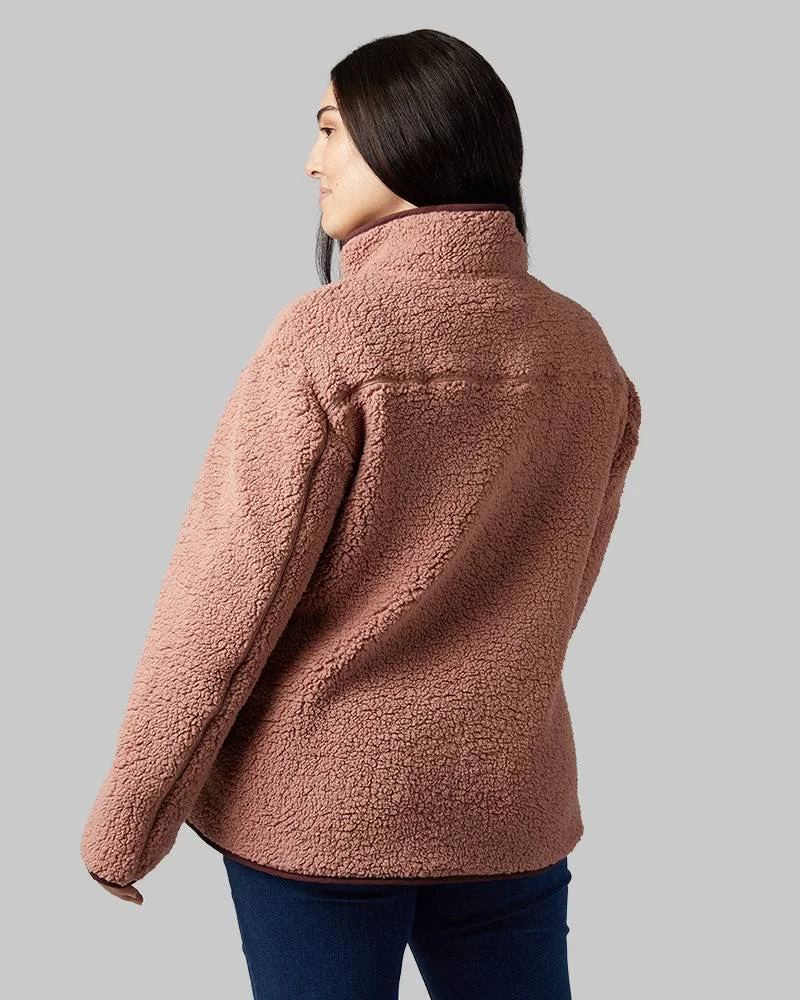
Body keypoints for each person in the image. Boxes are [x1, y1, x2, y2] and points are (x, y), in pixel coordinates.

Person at [80, 28, 642, 1000]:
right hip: (508, 801)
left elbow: (222, 603)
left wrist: (129, 821)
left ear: (409, 131)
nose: (312, 159)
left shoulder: (329, 338)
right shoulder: (580, 347)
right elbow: (562, 583)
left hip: (324, 813)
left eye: (331, 128)